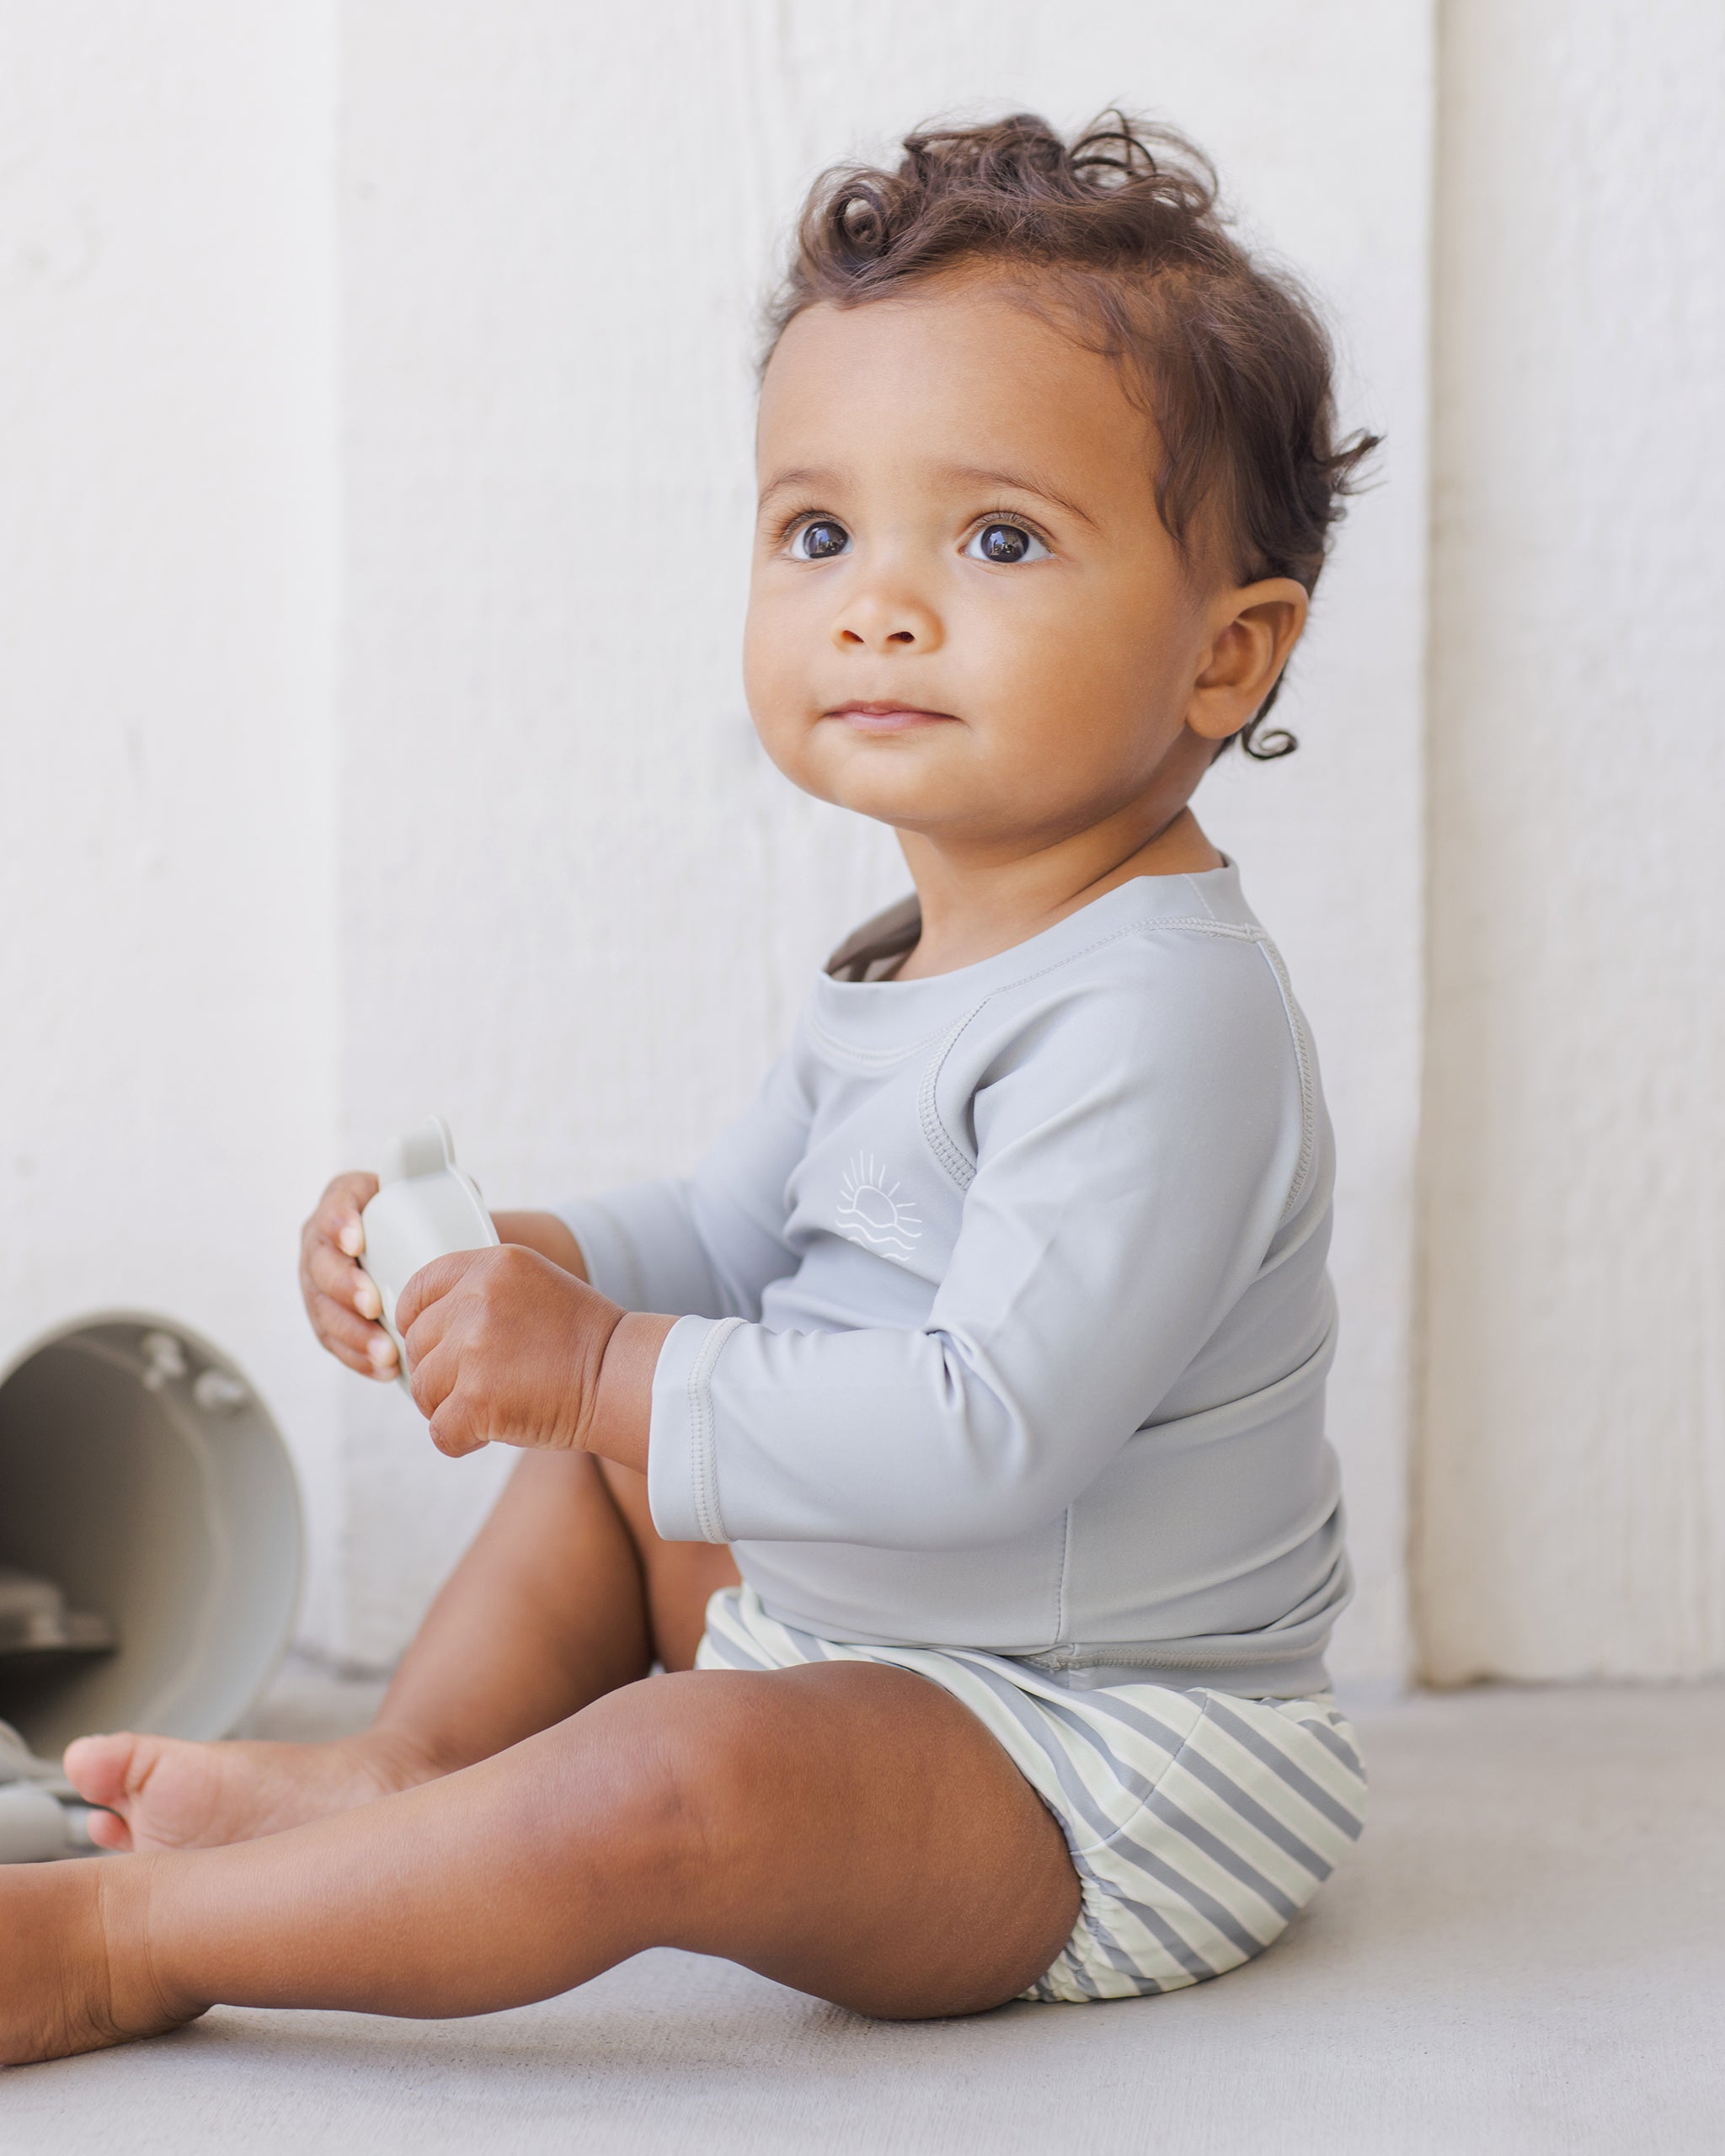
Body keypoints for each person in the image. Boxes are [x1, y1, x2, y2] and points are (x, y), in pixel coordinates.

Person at [5, 110, 1375, 2063]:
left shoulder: (1168, 1012)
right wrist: (511, 1268)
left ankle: (128, 1937)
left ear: (1224, 659)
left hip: (1087, 1745)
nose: (877, 603)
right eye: (818, 532)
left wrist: (599, 1362)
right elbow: (736, 1238)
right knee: (616, 1438)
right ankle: (409, 1767)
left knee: (666, 1771)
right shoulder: (910, 953)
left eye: (996, 538)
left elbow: (990, 1425)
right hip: (851, 1629)